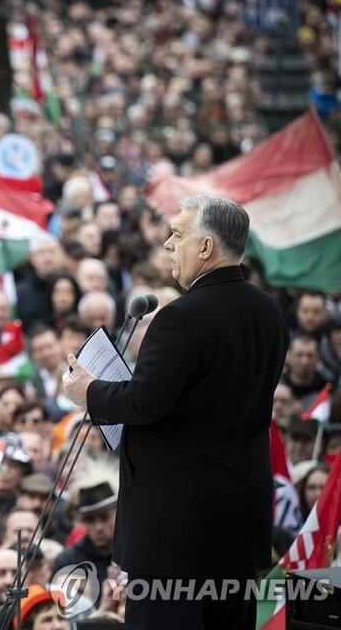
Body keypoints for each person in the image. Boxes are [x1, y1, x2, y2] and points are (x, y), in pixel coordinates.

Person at [63, 195, 290, 629]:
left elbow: (142, 403)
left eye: (178, 234)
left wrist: (88, 391)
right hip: (241, 525)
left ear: (206, 248)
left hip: (175, 536)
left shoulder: (180, 318)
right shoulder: (270, 312)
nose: (168, 244)